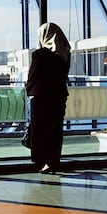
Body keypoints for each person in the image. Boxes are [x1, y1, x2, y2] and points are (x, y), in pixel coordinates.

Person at [26, 22, 71, 174]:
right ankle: (53, 162)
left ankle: (42, 161)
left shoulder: (40, 54)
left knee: (40, 130)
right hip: (58, 97)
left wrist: (29, 91)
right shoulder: (65, 53)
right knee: (55, 130)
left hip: (41, 97)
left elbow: (33, 77)